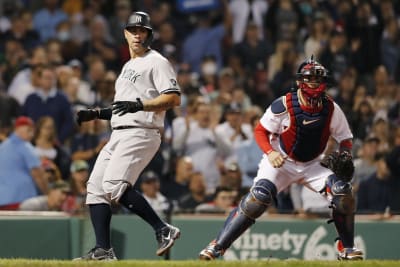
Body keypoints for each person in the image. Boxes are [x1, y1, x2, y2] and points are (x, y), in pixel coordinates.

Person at [198, 56, 364, 261]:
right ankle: (218, 245)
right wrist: (270, 152)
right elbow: (260, 131)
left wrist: (345, 154)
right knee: (257, 199)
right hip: (281, 160)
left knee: (343, 193)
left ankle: (346, 247)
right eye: (310, 78)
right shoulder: (284, 104)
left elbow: (345, 138)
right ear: (299, 82)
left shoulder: (331, 108)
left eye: (318, 79)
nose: (314, 83)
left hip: (313, 164)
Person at [74, 11, 181, 261]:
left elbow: (174, 98)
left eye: (142, 31)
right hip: (120, 132)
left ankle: (163, 229)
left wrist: (141, 105)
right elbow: (125, 106)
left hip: (142, 131)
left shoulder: (157, 61)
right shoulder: (128, 66)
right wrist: (99, 113)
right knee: (95, 188)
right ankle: (103, 250)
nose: (137, 35)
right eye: (133, 30)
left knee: (113, 185)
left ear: (149, 35)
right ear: (125, 33)